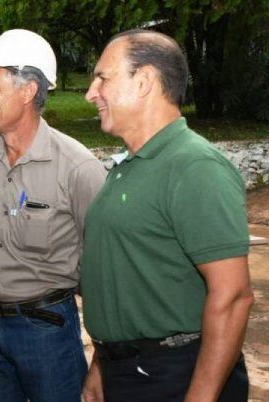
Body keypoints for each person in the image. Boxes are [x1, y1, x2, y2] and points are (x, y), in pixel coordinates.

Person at [80, 29, 254, 402]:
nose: (91, 93)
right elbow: (126, 279)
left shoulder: (194, 166)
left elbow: (234, 295)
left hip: (173, 374)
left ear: (143, 82)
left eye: (102, 78)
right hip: (127, 370)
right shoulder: (133, 165)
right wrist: (102, 362)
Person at [0, 29, 107, 402]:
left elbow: (104, 270)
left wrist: (104, 356)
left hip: (46, 332)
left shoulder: (79, 169)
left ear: (27, 91)